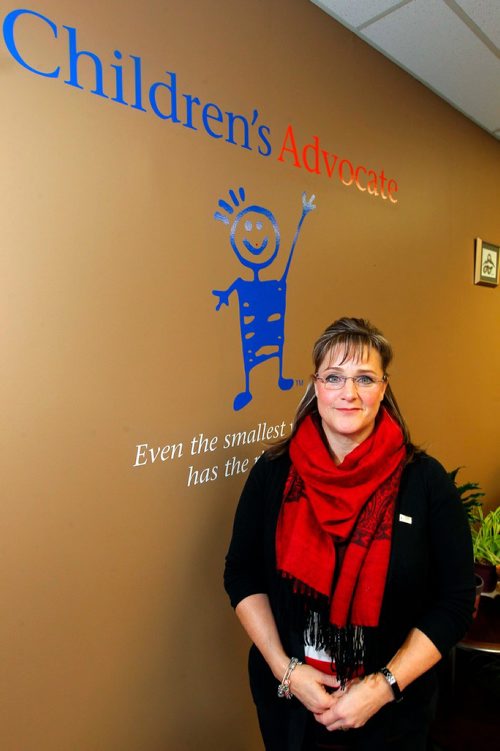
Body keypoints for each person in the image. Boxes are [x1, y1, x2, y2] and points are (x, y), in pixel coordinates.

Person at [224, 317, 475, 750]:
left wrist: (382, 687)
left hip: (392, 713)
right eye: (335, 377)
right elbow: (242, 574)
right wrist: (287, 671)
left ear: (383, 387)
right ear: (315, 385)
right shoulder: (272, 473)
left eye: (365, 378)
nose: (349, 393)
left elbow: (454, 601)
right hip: (290, 704)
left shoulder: (426, 483)